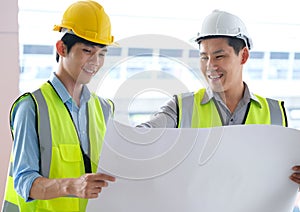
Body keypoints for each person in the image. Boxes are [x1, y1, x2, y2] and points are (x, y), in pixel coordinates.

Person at [138, 8, 300, 199]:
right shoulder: (180, 107)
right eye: (204, 57)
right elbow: (140, 138)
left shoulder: (275, 113)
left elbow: (283, 177)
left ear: (244, 56)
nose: (210, 66)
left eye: (219, 56)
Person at [2, 1, 117, 211]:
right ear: (62, 48)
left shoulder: (104, 109)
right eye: (87, 50)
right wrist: (72, 185)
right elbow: (23, 181)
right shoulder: (32, 107)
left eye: (102, 53)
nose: (96, 62)